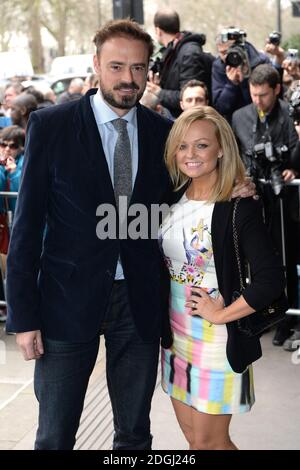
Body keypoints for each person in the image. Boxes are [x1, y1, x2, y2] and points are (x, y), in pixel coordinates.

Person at [6, 19, 254, 451]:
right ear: (96, 65)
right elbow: (26, 229)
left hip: (139, 305)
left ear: (148, 72)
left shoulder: (164, 134)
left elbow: (191, 191)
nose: (128, 78)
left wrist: (234, 184)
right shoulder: (52, 126)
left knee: (135, 435)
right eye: (117, 66)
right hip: (65, 303)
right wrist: (23, 318)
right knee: (54, 436)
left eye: (138, 68)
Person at [159, 106, 286, 450]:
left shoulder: (237, 205)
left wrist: (220, 314)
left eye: (201, 145)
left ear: (221, 149)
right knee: (193, 440)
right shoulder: (171, 197)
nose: (190, 155)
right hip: (174, 337)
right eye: (183, 146)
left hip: (217, 341)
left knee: (209, 444)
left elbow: (271, 280)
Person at [232, 64, 300, 346]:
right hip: (254, 202)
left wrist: (294, 171)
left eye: (264, 95)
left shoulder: (290, 115)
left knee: (289, 260)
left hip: (286, 203)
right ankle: (263, 315)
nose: (258, 100)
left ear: (277, 90)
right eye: (253, 93)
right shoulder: (239, 116)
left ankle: (288, 318)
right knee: (257, 262)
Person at [146, 8, 214, 118]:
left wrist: (159, 92)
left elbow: (192, 95)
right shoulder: (174, 51)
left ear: (158, 30)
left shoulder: (189, 54)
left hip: (191, 120)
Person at [212, 28, 270, 123]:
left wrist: (245, 80)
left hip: (259, 121)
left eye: (228, 52)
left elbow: (260, 103)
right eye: (222, 53)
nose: (226, 57)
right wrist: (231, 84)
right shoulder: (219, 65)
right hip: (232, 124)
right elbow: (220, 108)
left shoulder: (259, 61)